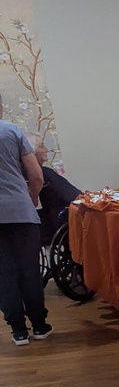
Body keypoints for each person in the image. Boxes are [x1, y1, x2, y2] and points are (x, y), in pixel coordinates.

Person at [0, 95, 51, 345]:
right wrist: (29, 201)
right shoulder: (12, 131)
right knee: (29, 270)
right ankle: (40, 326)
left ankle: (18, 331)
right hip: (19, 211)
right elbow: (36, 175)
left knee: (3, 274)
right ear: (0, 105)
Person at [27, 133, 82, 244]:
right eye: (42, 146)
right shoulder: (43, 173)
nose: (46, 150)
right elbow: (73, 196)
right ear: (32, 153)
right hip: (54, 223)